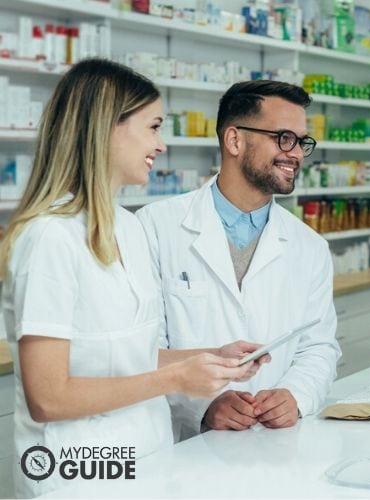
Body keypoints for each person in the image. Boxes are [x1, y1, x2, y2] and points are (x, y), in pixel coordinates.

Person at [0, 59, 268, 498]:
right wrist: (177, 380)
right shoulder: (48, 236)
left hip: (149, 460)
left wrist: (212, 357)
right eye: (153, 127)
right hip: (76, 474)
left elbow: (129, 352)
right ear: (107, 128)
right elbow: (48, 397)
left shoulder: (129, 227)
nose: (161, 145)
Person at [136, 80, 341, 440]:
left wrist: (295, 395)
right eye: (283, 138)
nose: (295, 154)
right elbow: (144, 348)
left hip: (278, 444)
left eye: (301, 142)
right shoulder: (155, 227)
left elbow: (319, 346)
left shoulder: (309, 246)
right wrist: (204, 404)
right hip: (188, 448)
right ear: (234, 140)